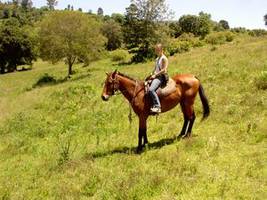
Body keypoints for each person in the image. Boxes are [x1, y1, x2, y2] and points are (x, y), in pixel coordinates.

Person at [148, 43, 169, 114]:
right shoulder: (157, 59)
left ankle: (157, 106)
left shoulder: (164, 58)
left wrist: (155, 75)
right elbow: (155, 68)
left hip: (161, 77)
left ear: (161, 50)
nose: (156, 51)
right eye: (155, 50)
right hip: (156, 76)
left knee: (151, 90)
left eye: (157, 50)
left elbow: (164, 70)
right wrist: (151, 73)